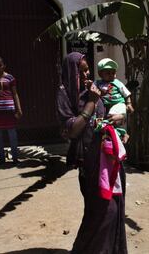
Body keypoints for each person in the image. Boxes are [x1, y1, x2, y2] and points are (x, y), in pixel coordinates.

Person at [57, 52, 128, 254]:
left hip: (107, 158)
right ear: (71, 73)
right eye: (81, 71)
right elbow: (71, 130)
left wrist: (119, 119)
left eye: (88, 69)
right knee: (103, 212)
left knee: (112, 208)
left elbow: (104, 115)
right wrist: (90, 102)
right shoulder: (65, 93)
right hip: (88, 163)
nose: (87, 74)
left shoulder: (93, 90)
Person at [94, 58, 134, 138]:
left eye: (113, 72)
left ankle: (103, 127)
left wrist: (129, 103)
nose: (111, 75)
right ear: (100, 74)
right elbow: (93, 89)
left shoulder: (117, 82)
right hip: (106, 106)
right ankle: (121, 133)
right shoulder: (98, 83)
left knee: (111, 117)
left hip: (118, 104)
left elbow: (126, 93)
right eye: (108, 73)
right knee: (110, 122)